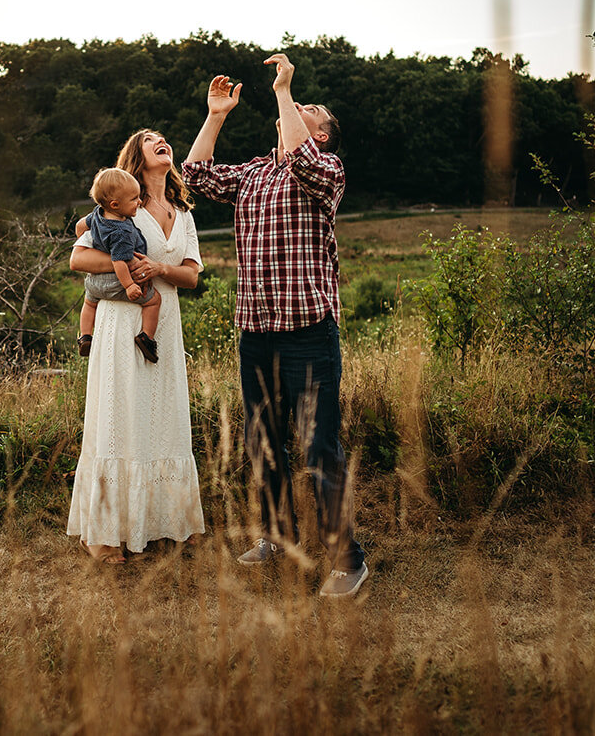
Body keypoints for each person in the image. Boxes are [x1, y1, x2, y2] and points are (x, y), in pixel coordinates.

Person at [180, 53, 369, 598]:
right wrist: (216, 116)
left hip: (309, 332)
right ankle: (276, 536)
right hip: (256, 332)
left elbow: (301, 158)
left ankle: (346, 561)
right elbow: (194, 177)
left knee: (319, 448)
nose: (300, 108)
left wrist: (286, 90)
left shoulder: (324, 173)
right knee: (262, 442)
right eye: (298, 105)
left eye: (313, 110)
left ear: (323, 136)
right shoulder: (256, 172)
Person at [68, 129, 206, 563]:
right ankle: (106, 534)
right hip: (120, 321)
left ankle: (161, 522)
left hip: (164, 325)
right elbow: (78, 260)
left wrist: (159, 266)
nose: (162, 141)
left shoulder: (182, 213)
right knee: (119, 418)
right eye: (151, 140)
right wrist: (127, 265)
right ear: (137, 156)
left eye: (165, 138)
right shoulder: (119, 209)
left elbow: (191, 276)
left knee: (161, 420)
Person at [75, 167, 162, 364]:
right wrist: (130, 285)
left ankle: (85, 336)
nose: (139, 202)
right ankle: (147, 337)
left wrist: (85, 239)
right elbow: (119, 262)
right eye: (134, 199)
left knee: (89, 303)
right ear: (115, 204)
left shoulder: (97, 214)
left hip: (94, 283)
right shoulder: (122, 232)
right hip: (117, 281)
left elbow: (80, 226)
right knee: (154, 301)